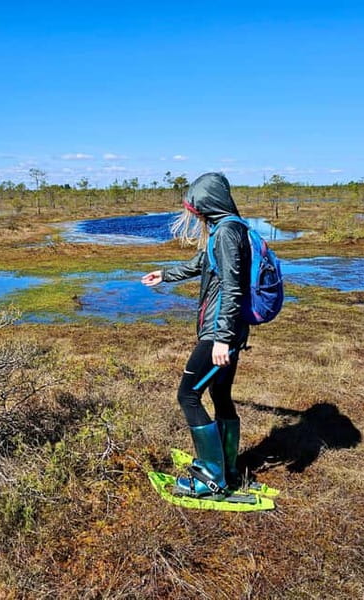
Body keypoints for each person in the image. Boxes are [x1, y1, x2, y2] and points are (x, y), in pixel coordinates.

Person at [141, 172, 250, 498]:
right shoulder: (231, 228)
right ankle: (228, 468)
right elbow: (202, 263)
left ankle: (211, 479)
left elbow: (232, 287)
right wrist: (165, 275)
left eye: (195, 208)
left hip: (219, 332)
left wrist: (222, 338)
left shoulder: (226, 233)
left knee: (188, 396)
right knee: (220, 394)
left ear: (207, 204)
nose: (194, 215)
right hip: (229, 329)